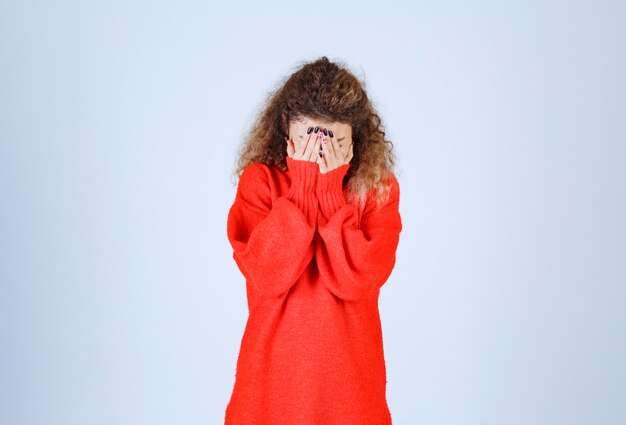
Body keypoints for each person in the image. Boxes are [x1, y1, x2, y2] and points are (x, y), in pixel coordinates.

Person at [224, 56, 403, 425]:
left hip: (351, 394)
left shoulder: (377, 192)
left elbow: (358, 279)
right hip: (270, 389)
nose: (319, 149)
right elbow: (266, 275)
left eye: (333, 137)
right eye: (309, 135)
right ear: (286, 130)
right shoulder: (260, 184)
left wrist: (333, 195)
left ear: (355, 140)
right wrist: (304, 190)